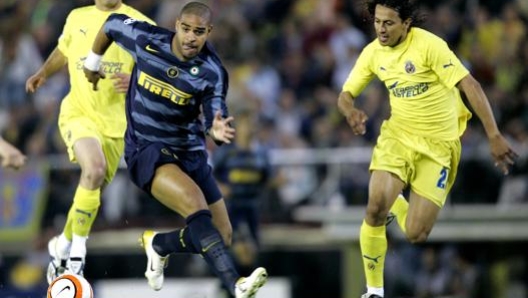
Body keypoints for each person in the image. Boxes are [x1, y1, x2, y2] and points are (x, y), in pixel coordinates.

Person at [82, 2, 267, 298]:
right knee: (196, 205)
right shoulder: (147, 40)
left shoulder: (212, 72)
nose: (191, 37)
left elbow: (215, 114)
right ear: (177, 24)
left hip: (190, 152)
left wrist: (216, 130)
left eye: (198, 32)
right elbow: (111, 24)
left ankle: (159, 245)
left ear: (209, 32)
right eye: (186, 29)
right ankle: (236, 284)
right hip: (148, 148)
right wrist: (92, 62)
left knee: (223, 235)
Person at [336, 1, 518, 298]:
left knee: (415, 233)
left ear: (406, 24)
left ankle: (395, 204)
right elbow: (345, 94)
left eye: (389, 23)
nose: (381, 29)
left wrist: (494, 135)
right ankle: (374, 290)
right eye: (378, 22)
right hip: (398, 137)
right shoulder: (372, 53)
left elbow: (469, 85)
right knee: (373, 209)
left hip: (439, 146)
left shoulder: (430, 46)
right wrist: (350, 111)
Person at [25, 0, 153, 283]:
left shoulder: (140, 24)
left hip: (116, 128)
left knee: (91, 186)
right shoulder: (76, 17)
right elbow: (64, 49)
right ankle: (77, 256)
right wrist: (44, 72)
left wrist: (135, 78)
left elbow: (162, 70)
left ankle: (63, 243)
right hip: (78, 114)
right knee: (93, 170)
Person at [212, 110, 275, 282]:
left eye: (252, 124)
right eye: (246, 124)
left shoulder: (261, 155)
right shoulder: (226, 153)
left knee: (251, 252)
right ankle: (231, 285)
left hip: (252, 209)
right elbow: (208, 176)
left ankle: (240, 285)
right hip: (232, 209)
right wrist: (221, 187)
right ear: (238, 128)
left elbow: (267, 179)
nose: (250, 128)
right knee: (239, 249)